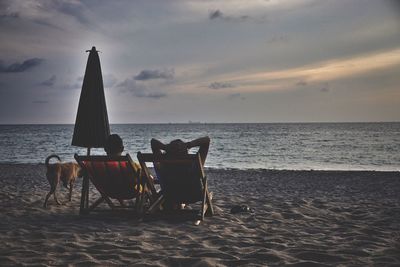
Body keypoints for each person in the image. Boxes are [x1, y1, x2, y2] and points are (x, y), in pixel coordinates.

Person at [150, 136, 211, 209]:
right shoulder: (195, 165)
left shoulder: (163, 164)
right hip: (192, 196)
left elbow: (153, 142)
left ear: (168, 152)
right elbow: (206, 140)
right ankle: (180, 204)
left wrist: (166, 147)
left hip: (170, 195)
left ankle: (177, 204)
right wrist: (188, 145)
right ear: (185, 151)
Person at [104, 134, 141, 205]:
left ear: (105, 149)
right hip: (129, 192)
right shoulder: (127, 165)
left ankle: (122, 204)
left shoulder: (100, 166)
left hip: (109, 191)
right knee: (143, 178)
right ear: (122, 148)